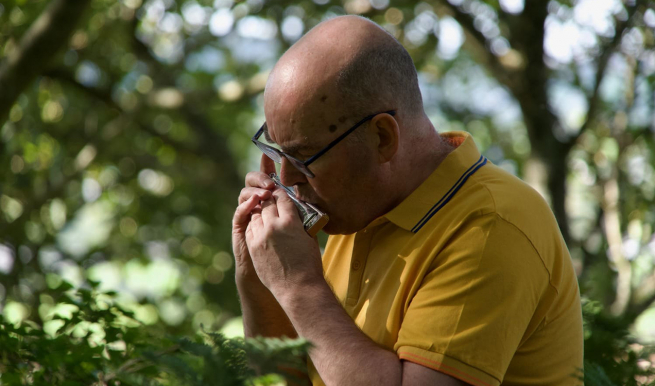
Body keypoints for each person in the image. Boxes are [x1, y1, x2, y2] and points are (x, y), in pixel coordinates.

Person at [231, 15, 583, 386]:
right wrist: (258, 281)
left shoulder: (491, 226)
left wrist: (298, 285)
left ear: (382, 137)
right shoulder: (360, 206)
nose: (286, 179)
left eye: (305, 157)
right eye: (277, 151)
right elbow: (288, 377)